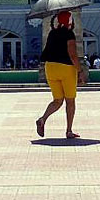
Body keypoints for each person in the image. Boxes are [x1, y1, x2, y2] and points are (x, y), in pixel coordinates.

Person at [35, 11, 86, 139]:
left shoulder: (52, 33)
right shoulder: (69, 34)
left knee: (57, 100)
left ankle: (42, 119)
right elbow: (73, 55)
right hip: (65, 69)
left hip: (50, 68)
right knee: (70, 101)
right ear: (70, 21)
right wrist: (80, 71)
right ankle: (69, 131)